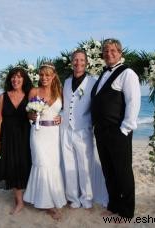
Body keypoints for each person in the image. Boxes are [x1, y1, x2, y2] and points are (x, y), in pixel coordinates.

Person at [91, 38, 141, 219]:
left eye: (113, 50)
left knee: (123, 172)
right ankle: (113, 205)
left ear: (120, 53)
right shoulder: (103, 74)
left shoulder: (128, 74)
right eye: (106, 51)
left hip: (117, 131)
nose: (109, 53)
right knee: (108, 170)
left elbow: (133, 102)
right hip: (101, 131)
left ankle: (126, 211)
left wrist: (125, 129)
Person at [60, 49, 108, 209]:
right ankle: (73, 198)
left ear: (86, 63)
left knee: (84, 165)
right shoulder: (66, 82)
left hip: (83, 130)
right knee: (69, 164)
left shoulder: (93, 83)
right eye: (75, 60)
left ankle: (87, 199)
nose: (78, 63)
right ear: (71, 62)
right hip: (66, 130)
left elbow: (100, 106)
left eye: (81, 60)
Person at [23, 62, 66, 220]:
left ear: (53, 76)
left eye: (48, 75)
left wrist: (62, 118)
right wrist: (31, 116)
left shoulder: (59, 91)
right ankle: (47, 204)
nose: (44, 78)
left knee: (53, 165)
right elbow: (28, 113)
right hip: (38, 133)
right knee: (41, 163)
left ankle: (53, 198)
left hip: (54, 134)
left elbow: (68, 112)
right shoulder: (34, 91)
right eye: (42, 75)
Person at [0, 67, 33, 215]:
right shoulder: (3, 97)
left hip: (25, 136)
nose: (15, 80)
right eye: (13, 77)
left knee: (26, 165)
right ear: (10, 79)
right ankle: (19, 201)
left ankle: (30, 196)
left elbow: (37, 113)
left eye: (19, 77)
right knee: (12, 167)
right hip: (7, 137)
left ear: (24, 79)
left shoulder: (30, 95)